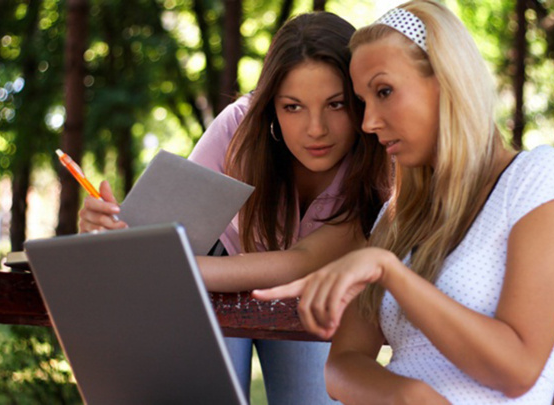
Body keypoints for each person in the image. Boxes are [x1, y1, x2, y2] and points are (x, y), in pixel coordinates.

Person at [254, 1, 554, 404]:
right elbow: (341, 364)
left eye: (384, 92)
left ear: (447, 79)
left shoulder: (535, 179)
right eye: (363, 101)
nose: (368, 122)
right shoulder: (399, 216)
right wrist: (411, 396)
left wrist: (392, 273)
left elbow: (517, 370)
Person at [78, 12, 390, 405]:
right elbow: (164, 228)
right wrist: (110, 230)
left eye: (336, 104)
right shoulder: (239, 128)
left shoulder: (382, 157)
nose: (316, 129)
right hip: (215, 265)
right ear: (271, 107)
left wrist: (166, 265)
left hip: (313, 286)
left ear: (359, 101)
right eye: (293, 107)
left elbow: (299, 262)